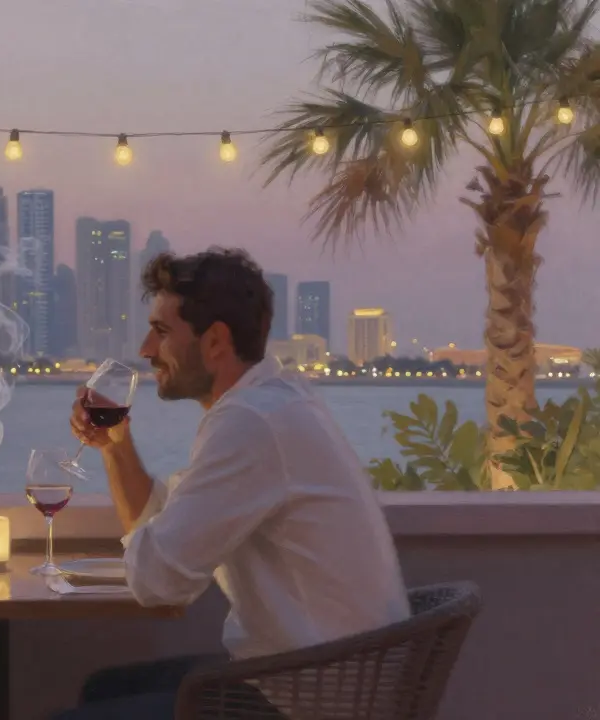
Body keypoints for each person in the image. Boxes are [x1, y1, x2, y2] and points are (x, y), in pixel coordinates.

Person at [55, 248, 409, 719]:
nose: (145, 349)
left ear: (216, 341)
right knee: (104, 688)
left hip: (313, 700)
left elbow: (159, 583)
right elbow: (166, 529)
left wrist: (155, 545)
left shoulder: (251, 423)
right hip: (332, 679)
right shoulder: (275, 402)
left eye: (161, 332)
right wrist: (116, 447)